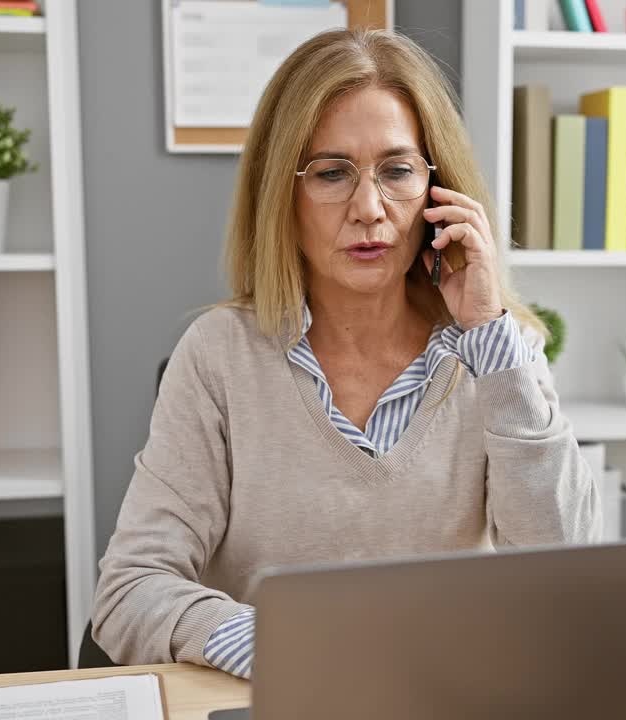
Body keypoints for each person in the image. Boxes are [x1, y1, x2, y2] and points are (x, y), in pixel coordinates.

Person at [91, 28, 599, 679]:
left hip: (444, 694)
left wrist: (489, 334)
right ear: (283, 194)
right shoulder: (218, 356)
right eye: (332, 173)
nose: (369, 209)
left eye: (398, 171)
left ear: (439, 191)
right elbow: (131, 589)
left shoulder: (500, 354)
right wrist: (286, 645)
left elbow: (569, 574)